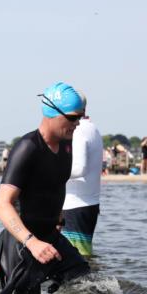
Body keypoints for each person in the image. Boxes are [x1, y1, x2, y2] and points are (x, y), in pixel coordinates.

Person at [0, 82, 90, 294]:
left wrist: (59, 216)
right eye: (73, 118)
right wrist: (32, 243)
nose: (78, 123)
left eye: (81, 118)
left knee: (88, 287)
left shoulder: (67, 143)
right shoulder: (27, 148)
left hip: (51, 237)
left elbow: (54, 183)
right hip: (23, 245)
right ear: (53, 113)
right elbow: (2, 204)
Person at [61, 98, 102, 257]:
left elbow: (79, 168)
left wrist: (51, 173)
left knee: (76, 258)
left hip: (75, 205)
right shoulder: (91, 127)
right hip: (87, 204)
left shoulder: (79, 130)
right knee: (83, 257)